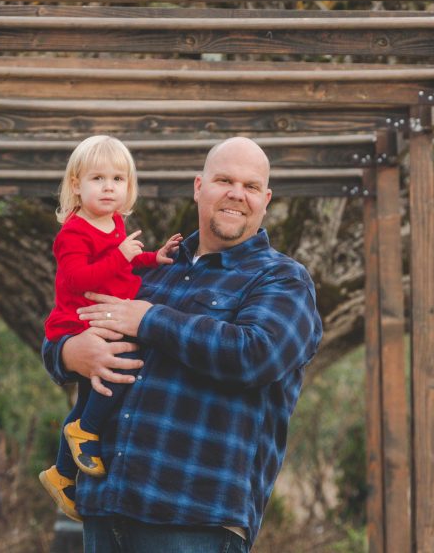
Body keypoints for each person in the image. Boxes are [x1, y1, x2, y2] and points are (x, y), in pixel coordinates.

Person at [41, 137, 323, 552]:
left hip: (194, 517)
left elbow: (254, 355)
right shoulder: (153, 271)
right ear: (198, 187)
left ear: (265, 199)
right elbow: (71, 322)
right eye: (224, 180)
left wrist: (150, 319)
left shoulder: (281, 280)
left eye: (249, 186)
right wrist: (69, 353)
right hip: (105, 508)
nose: (235, 194)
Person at [38, 135, 182, 522]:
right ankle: (87, 430)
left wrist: (155, 256)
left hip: (104, 319)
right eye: (98, 178)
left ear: (128, 187)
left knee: (91, 391)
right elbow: (75, 279)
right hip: (81, 321)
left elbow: (127, 266)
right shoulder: (73, 232)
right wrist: (120, 256)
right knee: (118, 370)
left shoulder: (115, 222)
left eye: (117, 179)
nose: (108, 187)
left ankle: (62, 472)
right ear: (76, 186)